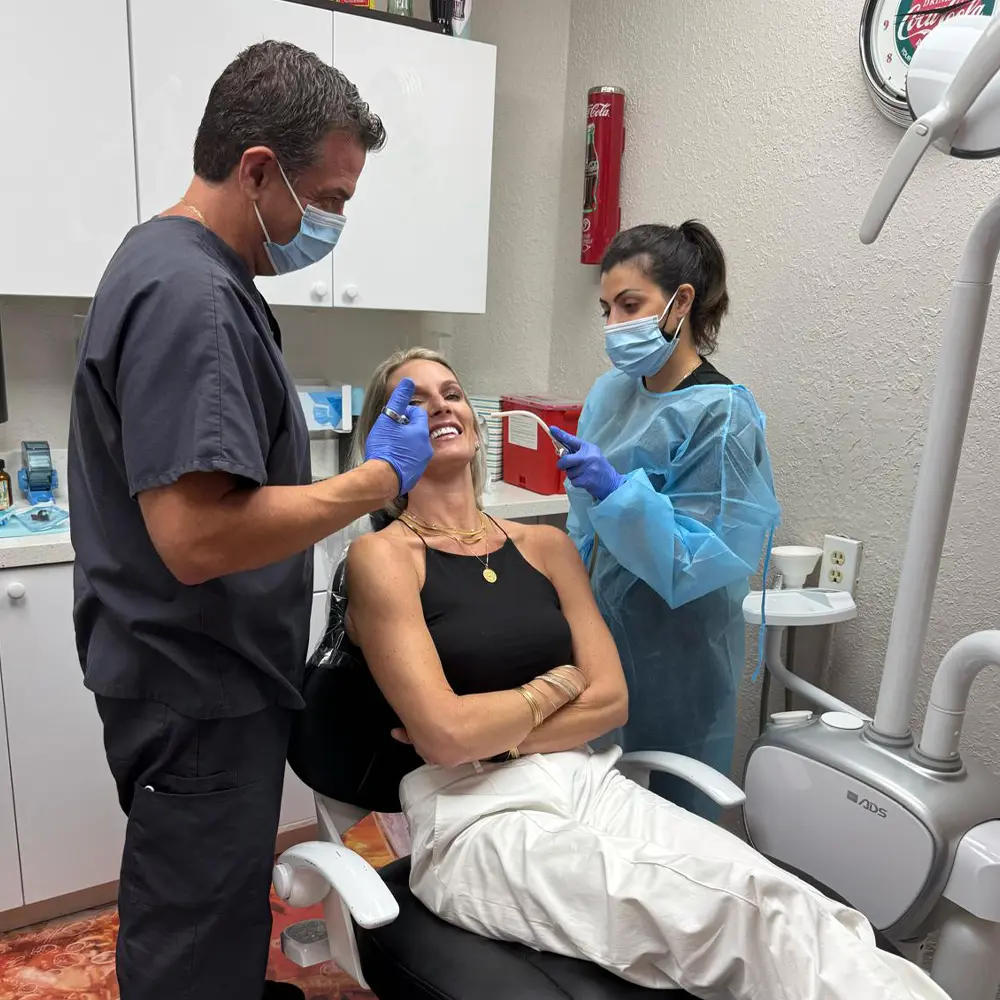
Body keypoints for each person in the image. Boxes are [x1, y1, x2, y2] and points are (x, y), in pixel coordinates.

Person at [325, 346, 946, 999]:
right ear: (383, 434)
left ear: (475, 424)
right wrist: (561, 686)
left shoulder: (546, 545)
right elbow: (446, 739)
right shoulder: (383, 557)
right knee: (733, 915)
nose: (440, 405)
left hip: (587, 780)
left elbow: (612, 698)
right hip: (474, 812)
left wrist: (497, 724)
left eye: (450, 392)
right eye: (412, 400)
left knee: (786, 898)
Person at [68, 42, 433, 1000]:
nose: (335, 221)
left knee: (216, 903)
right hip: (197, 685)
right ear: (260, 169)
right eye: (334, 197)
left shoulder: (186, 271)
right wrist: (371, 482)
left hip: (201, 680)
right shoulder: (191, 294)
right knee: (190, 927)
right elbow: (199, 540)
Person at [549, 221, 782, 819]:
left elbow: (694, 563)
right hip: (599, 640)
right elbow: (585, 531)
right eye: (606, 309)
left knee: (677, 824)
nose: (613, 326)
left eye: (631, 305)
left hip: (677, 655)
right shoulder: (611, 393)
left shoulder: (723, 415)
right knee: (603, 811)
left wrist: (616, 490)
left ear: (680, 302)